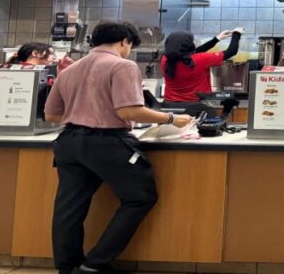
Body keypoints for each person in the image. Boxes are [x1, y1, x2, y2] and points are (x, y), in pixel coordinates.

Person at [44, 21, 193, 274]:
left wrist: (83, 114)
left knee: (69, 207)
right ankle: (95, 263)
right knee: (140, 197)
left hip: (69, 143)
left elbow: (51, 114)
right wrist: (171, 118)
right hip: (106, 142)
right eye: (130, 46)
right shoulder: (123, 65)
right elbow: (128, 111)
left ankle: (67, 267)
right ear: (124, 41)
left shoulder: (70, 69)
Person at [161, 28, 242, 103]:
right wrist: (236, 34)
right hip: (196, 105)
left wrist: (217, 39)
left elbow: (195, 51)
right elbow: (231, 51)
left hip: (169, 104)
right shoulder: (200, 60)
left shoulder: (165, 59)